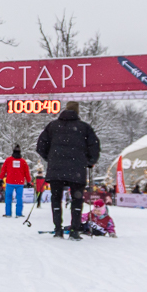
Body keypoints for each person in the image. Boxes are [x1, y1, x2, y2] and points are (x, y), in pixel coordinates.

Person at [36, 101, 100, 241]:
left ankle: (58, 230)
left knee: (56, 199)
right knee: (77, 199)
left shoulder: (52, 126)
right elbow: (94, 147)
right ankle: (74, 231)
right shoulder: (84, 128)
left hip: (56, 170)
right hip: (77, 170)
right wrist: (89, 162)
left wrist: (51, 158)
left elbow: (40, 146)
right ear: (77, 112)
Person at [1, 145, 32, 218]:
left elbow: (3, 169)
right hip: (20, 182)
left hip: (10, 181)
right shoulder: (23, 161)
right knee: (19, 198)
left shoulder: (8, 160)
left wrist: (1, 178)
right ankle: (19, 213)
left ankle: (8, 213)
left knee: (8, 197)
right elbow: (27, 172)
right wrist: (28, 181)